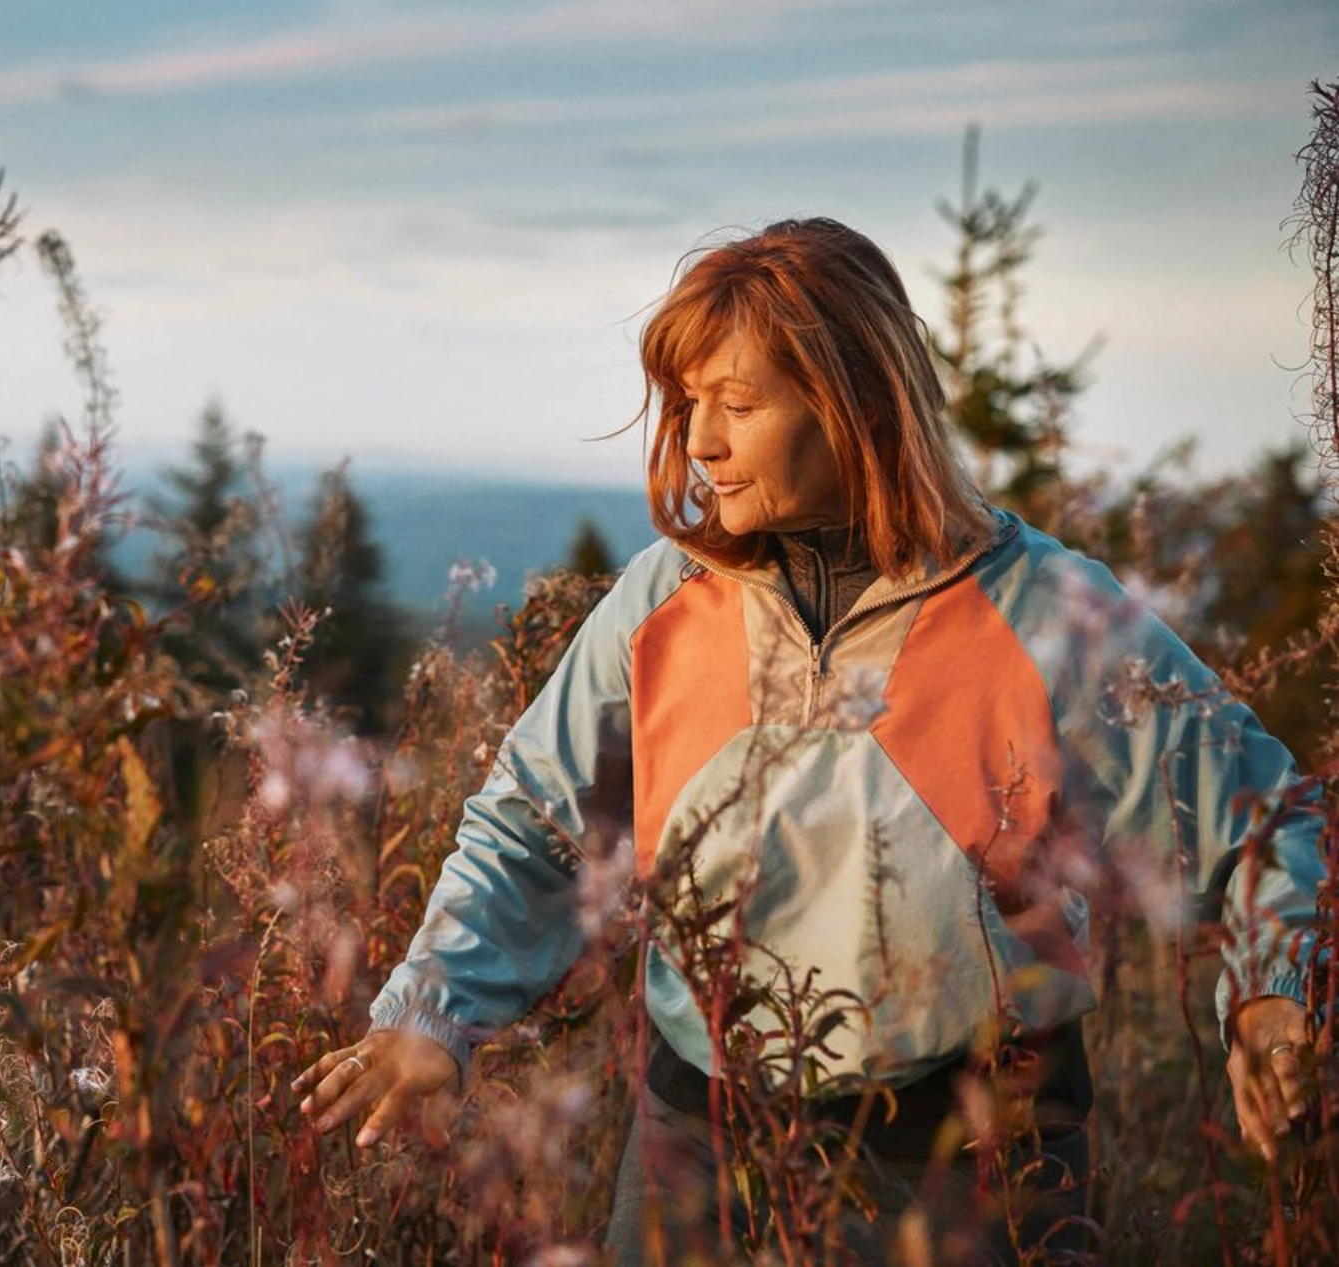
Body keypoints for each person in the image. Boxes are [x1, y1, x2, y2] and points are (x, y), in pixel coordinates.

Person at [291, 218, 1326, 1262]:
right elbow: (532, 821)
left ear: (855, 405)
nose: (699, 440)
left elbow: (1262, 817)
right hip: (694, 1143)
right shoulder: (665, 602)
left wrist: (1271, 992)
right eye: (688, 402)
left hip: (978, 1159)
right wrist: (434, 1011)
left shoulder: (1045, 614)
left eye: (737, 403)